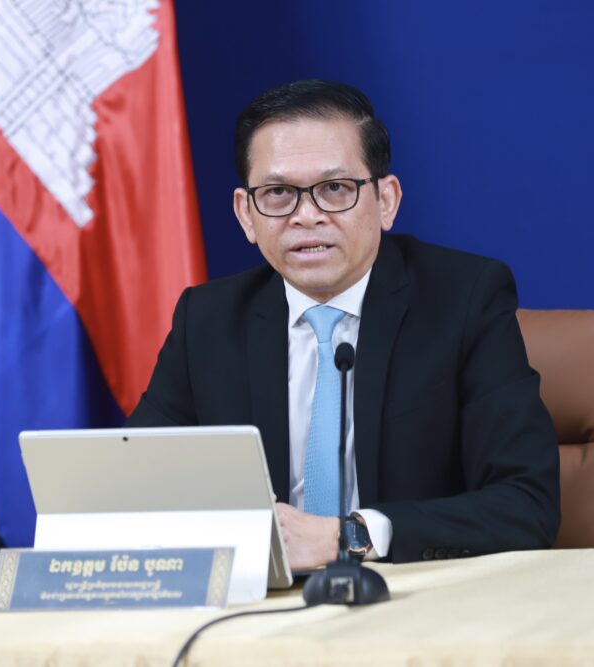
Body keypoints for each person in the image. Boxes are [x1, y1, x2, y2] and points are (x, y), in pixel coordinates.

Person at [127, 80, 560, 568]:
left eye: (335, 189)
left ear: (386, 200)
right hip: (261, 600)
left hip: (415, 594)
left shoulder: (464, 300)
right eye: (278, 193)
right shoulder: (207, 320)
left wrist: (350, 536)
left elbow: (526, 504)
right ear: (246, 214)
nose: (307, 216)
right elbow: (135, 489)